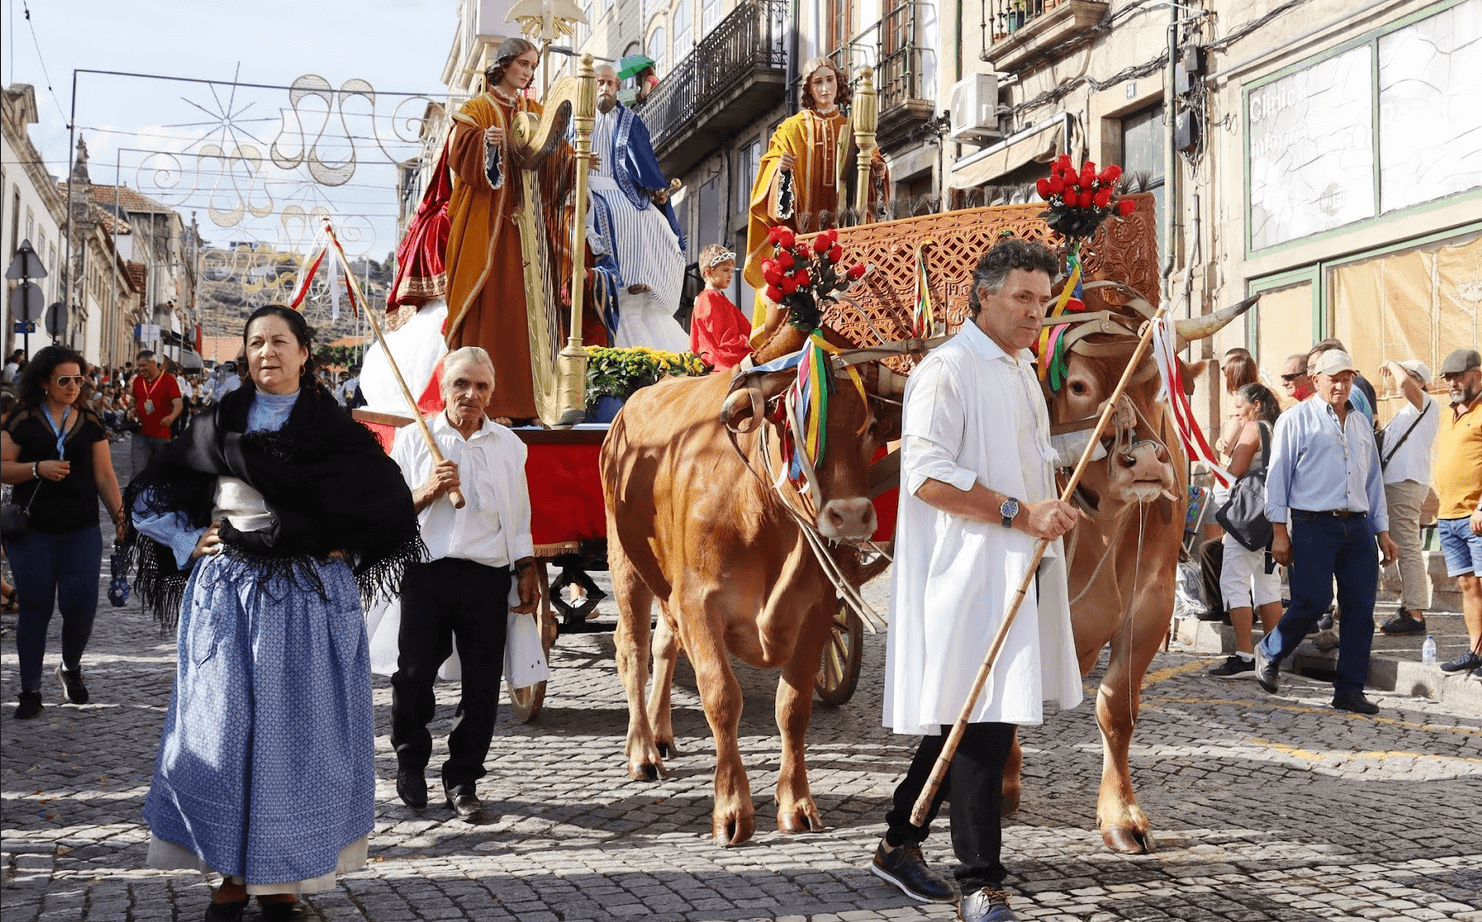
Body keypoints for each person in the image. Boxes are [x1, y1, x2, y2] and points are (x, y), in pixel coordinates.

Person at [126, 305, 421, 922]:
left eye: (280, 341)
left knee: (298, 735)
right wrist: (189, 539)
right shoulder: (214, 425)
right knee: (222, 729)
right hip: (229, 597)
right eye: (257, 342)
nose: (268, 352)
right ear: (246, 354)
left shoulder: (335, 430)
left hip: (310, 600)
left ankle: (284, 876)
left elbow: (388, 500)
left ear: (304, 352)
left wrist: (348, 542)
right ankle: (230, 875)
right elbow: (149, 493)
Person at [872, 240, 1082, 922]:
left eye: (1043, 301)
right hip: (967, 573)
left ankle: (900, 842)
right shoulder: (949, 370)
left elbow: (1025, 457)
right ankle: (979, 883)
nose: (1035, 312)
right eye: (1023, 298)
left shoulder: (1020, 368)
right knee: (985, 729)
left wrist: (1077, 472)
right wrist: (1022, 512)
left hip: (1019, 566)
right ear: (983, 295)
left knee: (965, 723)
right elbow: (927, 476)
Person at [389, 346, 540, 821]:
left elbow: (518, 516)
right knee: (413, 676)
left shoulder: (509, 447)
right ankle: (411, 762)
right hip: (427, 575)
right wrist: (428, 491)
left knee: (481, 686)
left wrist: (528, 566)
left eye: (481, 387)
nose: (471, 395)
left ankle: (463, 778)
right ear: (443, 388)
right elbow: (390, 515)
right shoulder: (414, 441)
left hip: (487, 577)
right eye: (461, 385)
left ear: (491, 394)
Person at [442, 36, 586, 423]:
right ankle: (497, 403)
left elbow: (553, 153)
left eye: (533, 67)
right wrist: (488, 144)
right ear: (503, 64)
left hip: (528, 226)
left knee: (529, 312)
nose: (527, 72)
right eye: (523, 63)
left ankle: (534, 401)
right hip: (489, 226)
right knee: (491, 310)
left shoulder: (536, 109)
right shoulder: (477, 108)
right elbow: (458, 152)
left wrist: (576, 164)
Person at [1256, 349, 1399, 714]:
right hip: (1313, 523)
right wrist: (1279, 532)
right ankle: (1270, 650)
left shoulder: (1361, 423)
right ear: (1314, 379)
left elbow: (1373, 480)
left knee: (1360, 609)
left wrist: (1382, 531)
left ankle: (1349, 690)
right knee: (1312, 601)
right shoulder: (1295, 420)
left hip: (1357, 526)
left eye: (1347, 377)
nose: (1341, 384)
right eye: (1333, 378)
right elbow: (1277, 479)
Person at [1, 346, 125, 719]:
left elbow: (105, 476)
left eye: (79, 379)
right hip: (32, 530)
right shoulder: (23, 419)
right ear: (44, 382)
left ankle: (70, 667)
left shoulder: (88, 419)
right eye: (64, 380)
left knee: (80, 608)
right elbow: (3, 466)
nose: (74, 386)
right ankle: (30, 690)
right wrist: (37, 468)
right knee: (36, 607)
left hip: (81, 529)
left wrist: (122, 521)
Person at [744, 56, 887, 345]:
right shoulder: (791, 129)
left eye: (829, 80)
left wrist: (879, 171)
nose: (824, 88)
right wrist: (780, 170)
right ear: (809, 88)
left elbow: (874, 178)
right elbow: (770, 173)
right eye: (817, 82)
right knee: (784, 325)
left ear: (839, 84)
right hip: (803, 243)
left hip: (845, 243)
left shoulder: (856, 129)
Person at [583, 63, 688, 352]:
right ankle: (615, 281)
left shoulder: (628, 119)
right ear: (592, 87)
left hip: (622, 188)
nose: (605, 88)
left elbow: (642, 158)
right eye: (600, 83)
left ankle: (639, 281)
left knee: (655, 223)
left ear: (618, 88)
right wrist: (578, 161)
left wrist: (655, 188)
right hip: (587, 186)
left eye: (610, 84)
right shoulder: (577, 118)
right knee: (612, 213)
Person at [1208, 383, 1284, 678]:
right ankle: (1272, 656)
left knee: (1235, 581)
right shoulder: (1280, 427)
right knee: (1267, 584)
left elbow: (1235, 470)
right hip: (1273, 516)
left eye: (1240, 409)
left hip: (1248, 517)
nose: (1237, 415)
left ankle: (1244, 655)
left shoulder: (1254, 428)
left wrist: (1224, 455)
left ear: (1256, 405)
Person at [1375, 359, 1440, 636]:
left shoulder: (1424, 403)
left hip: (1404, 484)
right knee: (1403, 545)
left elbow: (1403, 383)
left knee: (1409, 547)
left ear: (1421, 382)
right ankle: (1410, 609)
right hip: (1396, 484)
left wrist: (1391, 362)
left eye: (1409, 374)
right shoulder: (1408, 411)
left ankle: (1415, 613)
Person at [1432, 348, 1482, 676]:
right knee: (1467, 585)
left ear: (1477, 374)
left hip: (1475, 514)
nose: (1452, 383)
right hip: (1449, 516)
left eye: (1458, 376)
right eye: (1448, 378)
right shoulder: (1449, 413)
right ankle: (1476, 652)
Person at [688, 245, 751, 370]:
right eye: (725, 270)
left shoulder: (719, 298)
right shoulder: (708, 298)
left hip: (723, 357)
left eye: (731, 271)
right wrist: (749, 342)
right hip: (719, 362)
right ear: (709, 272)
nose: (730, 275)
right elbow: (724, 339)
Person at [129, 350, 183, 478]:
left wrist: (171, 417)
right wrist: (131, 409)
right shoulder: (138, 381)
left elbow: (178, 404)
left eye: (143, 366)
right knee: (139, 469)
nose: (140, 369)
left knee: (160, 471)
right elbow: (133, 399)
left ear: (153, 363)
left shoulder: (169, 380)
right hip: (140, 433)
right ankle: (135, 496)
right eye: (139, 366)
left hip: (161, 434)